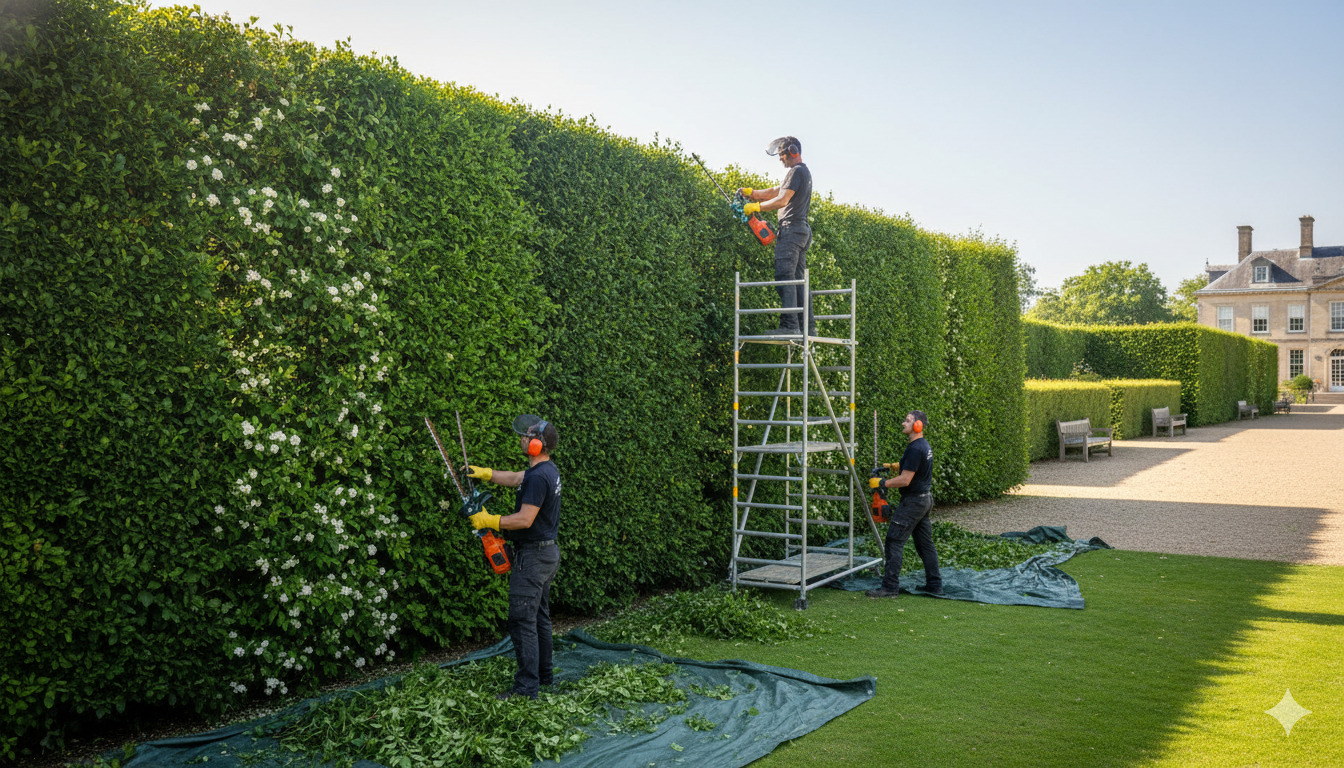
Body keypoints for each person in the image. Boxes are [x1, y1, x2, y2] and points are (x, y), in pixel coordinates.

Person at [465, 414, 563, 700]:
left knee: (522, 620)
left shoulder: (539, 477)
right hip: (546, 554)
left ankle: (525, 689)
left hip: (533, 557)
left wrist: (490, 520)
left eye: (527, 435)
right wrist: (486, 473)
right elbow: (516, 478)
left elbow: (524, 519)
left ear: (536, 445)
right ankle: (544, 677)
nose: (522, 439)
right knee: (539, 618)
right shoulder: (545, 470)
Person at [738, 136, 815, 336]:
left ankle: (790, 326)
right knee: (798, 280)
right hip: (801, 231)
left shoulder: (796, 171)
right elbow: (776, 191)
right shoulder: (801, 172)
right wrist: (753, 193)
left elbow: (782, 200)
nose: (780, 158)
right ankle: (807, 327)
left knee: (784, 276)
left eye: (782, 154)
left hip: (791, 231)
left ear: (792, 152)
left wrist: (755, 207)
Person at [866, 411, 943, 598]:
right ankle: (934, 585)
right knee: (925, 545)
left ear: (918, 425)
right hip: (924, 500)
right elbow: (914, 466)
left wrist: (882, 483)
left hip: (913, 503)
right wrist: (895, 466)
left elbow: (905, 480)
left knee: (894, 541)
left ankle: (890, 588)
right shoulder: (923, 445)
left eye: (908, 421)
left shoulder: (915, 448)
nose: (903, 423)